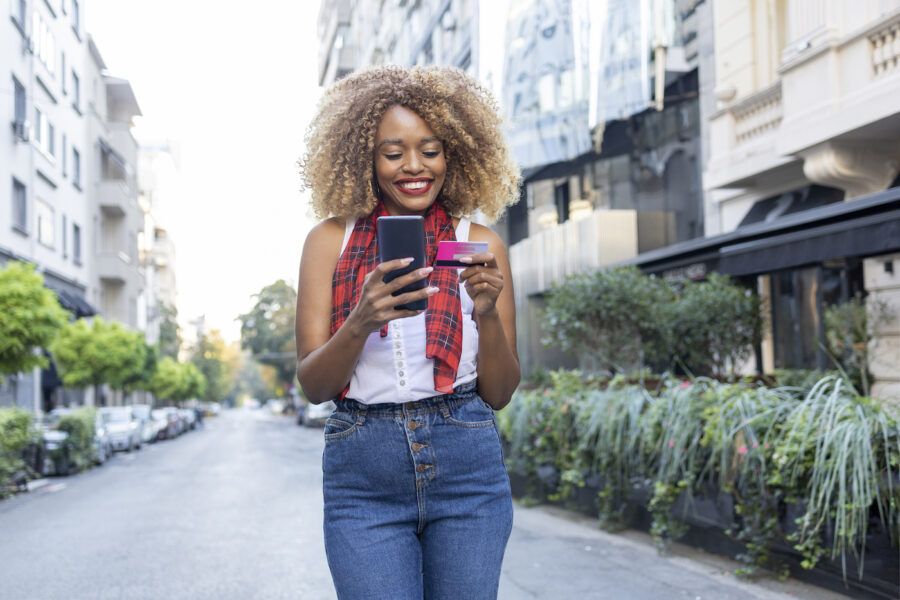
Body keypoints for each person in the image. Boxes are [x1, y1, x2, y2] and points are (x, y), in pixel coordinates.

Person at [295, 65, 521, 600]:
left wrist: (487, 312)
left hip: (466, 459)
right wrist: (362, 318)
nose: (414, 167)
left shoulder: (477, 242)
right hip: (363, 472)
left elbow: (501, 392)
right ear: (366, 161)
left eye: (431, 150)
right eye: (393, 153)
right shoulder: (329, 241)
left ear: (455, 154)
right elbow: (314, 385)